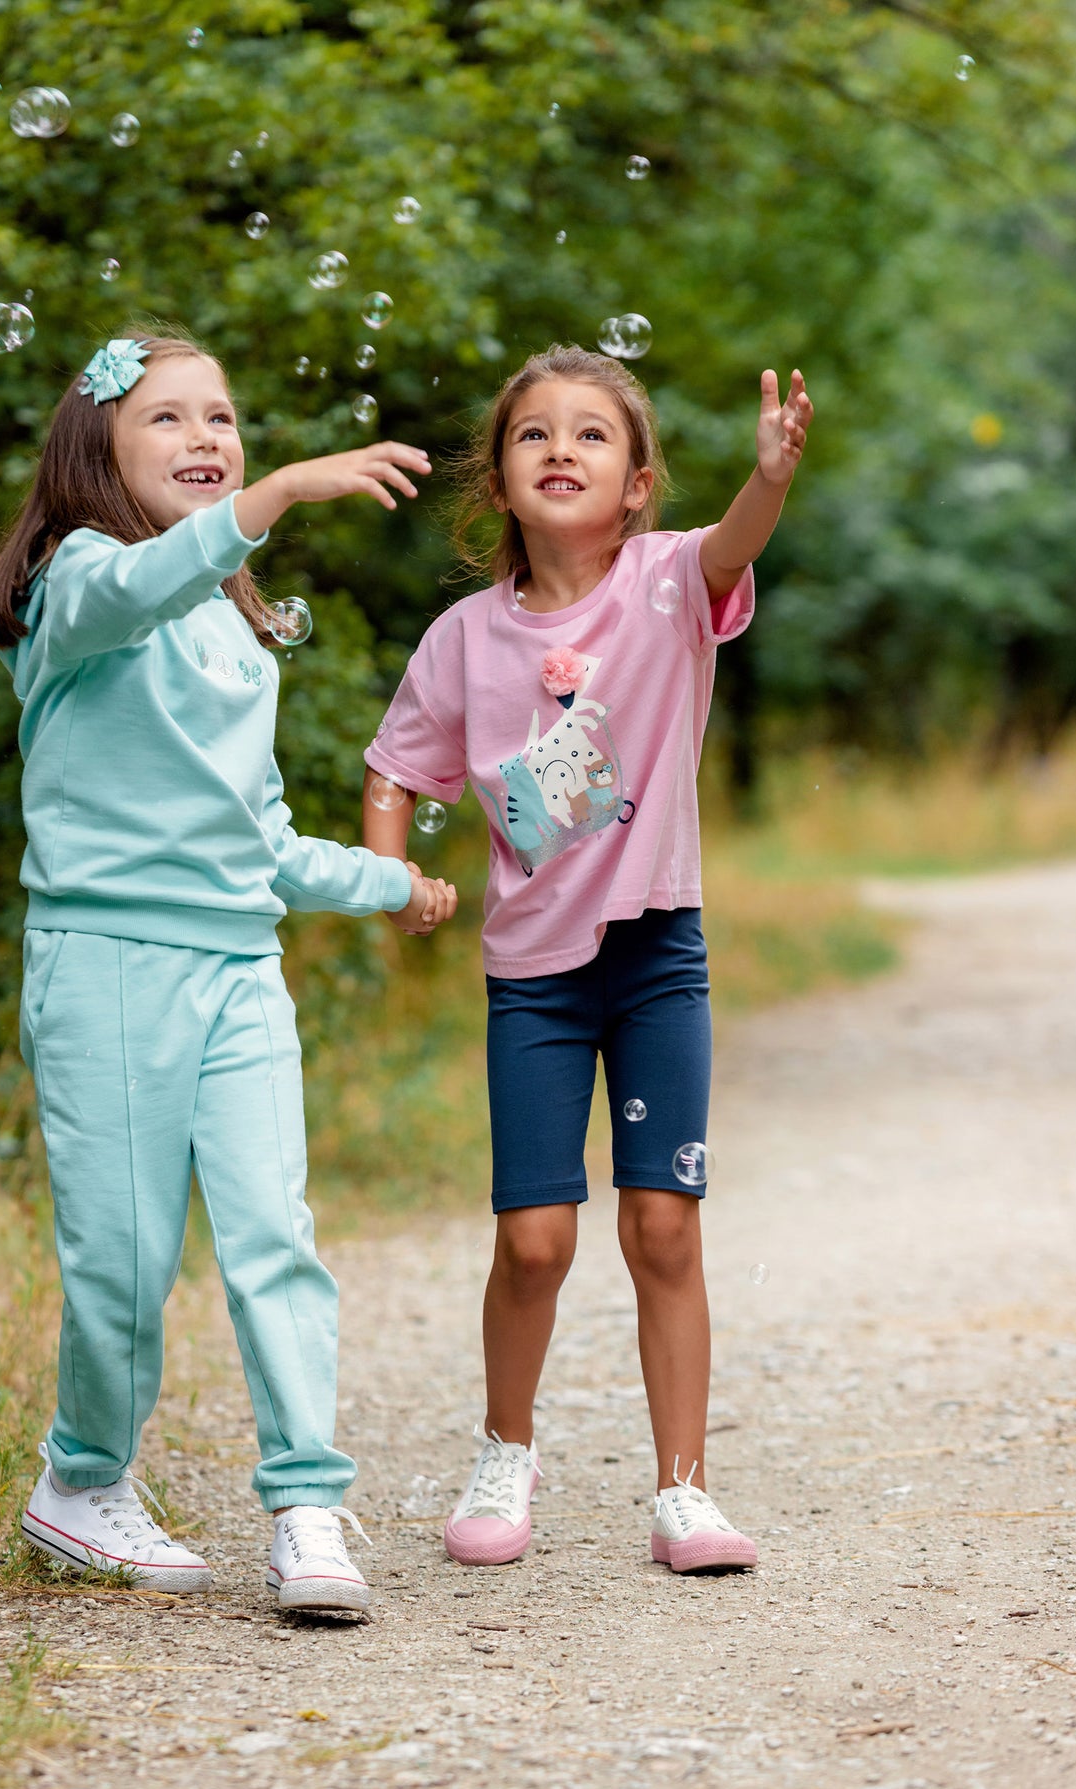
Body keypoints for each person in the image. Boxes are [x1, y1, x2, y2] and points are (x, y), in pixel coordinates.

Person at [0, 330, 455, 1611]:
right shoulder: (76, 584)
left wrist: (388, 881)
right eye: (168, 419)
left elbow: (258, 833)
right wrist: (279, 492)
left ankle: (307, 1505)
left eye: (223, 419)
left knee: (272, 1240)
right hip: (107, 964)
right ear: (99, 454)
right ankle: (78, 1486)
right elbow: (128, 592)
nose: (207, 438)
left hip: (238, 965)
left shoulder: (236, 625)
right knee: (123, 1258)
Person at [361, 342, 812, 1573]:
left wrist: (767, 476)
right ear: (498, 482)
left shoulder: (671, 584)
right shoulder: (462, 639)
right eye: (532, 434)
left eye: (591, 434)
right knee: (534, 1239)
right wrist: (394, 873)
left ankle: (684, 1489)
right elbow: (397, 767)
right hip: (534, 981)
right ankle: (505, 1449)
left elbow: (736, 543)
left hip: (657, 952)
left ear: (636, 486)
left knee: (662, 1224)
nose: (560, 448)